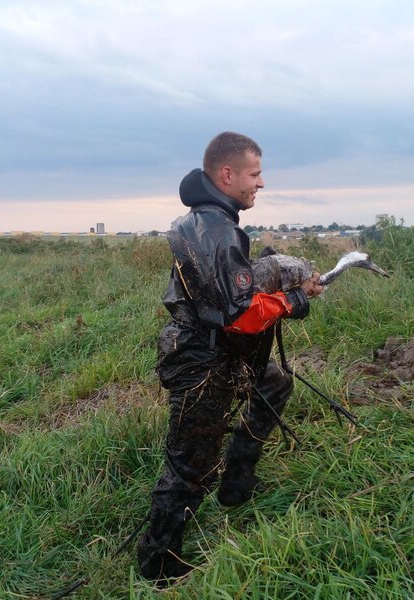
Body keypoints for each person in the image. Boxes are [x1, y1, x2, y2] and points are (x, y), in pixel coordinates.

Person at [137, 132, 325, 583]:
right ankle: (159, 568)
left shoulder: (207, 220)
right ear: (228, 174)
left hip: (216, 350)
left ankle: (237, 484)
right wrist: (294, 299)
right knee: (187, 465)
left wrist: (278, 284)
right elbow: (239, 318)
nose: (261, 183)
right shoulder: (216, 230)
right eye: (255, 174)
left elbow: (230, 294)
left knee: (275, 382)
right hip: (202, 362)